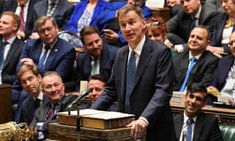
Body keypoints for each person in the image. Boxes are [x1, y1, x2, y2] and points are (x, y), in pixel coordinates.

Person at [91, 5, 176, 141]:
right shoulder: (121, 53)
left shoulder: (160, 52)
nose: (127, 28)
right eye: (123, 25)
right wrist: (90, 113)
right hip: (127, 128)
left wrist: (144, 119)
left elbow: (163, 91)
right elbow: (111, 90)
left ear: (143, 23)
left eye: (132, 22)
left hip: (154, 129)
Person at [20, 16, 75, 81]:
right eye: (42, 31)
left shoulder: (67, 50)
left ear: (56, 28)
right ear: (38, 34)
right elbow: (20, 69)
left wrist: (35, 68)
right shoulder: (30, 45)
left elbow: (59, 76)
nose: (46, 33)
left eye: (49, 29)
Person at [30, 71, 75, 140]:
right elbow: (31, 130)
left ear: (63, 87)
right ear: (43, 91)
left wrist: (43, 126)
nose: (53, 89)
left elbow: (64, 122)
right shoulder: (41, 108)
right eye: (48, 87)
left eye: (56, 85)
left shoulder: (72, 102)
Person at [173, 26, 219, 92]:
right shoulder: (178, 58)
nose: (194, 40)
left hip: (194, 98)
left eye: (199, 38)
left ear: (207, 43)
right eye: (192, 36)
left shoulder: (212, 61)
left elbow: (205, 84)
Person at [76, 26, 118, 90]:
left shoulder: (115, 55)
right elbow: (79, 84)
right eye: (90, 44)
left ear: (101, 39)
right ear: (84, 46)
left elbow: (117, 84)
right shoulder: (81, 59)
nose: (95, 46)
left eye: (97, 41)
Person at [208, 31, 235, 103]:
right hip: (221, 103)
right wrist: (218, 95)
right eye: (231, 43)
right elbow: (212, 87)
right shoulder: (223, 62)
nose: (234, 45)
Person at [0, 11, 26, 85]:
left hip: (8, 88)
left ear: (15, 27)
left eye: (4, 23)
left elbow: (19, 76)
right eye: (0, 22)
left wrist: (1, 78)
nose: (0, 25)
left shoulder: (23, 47)